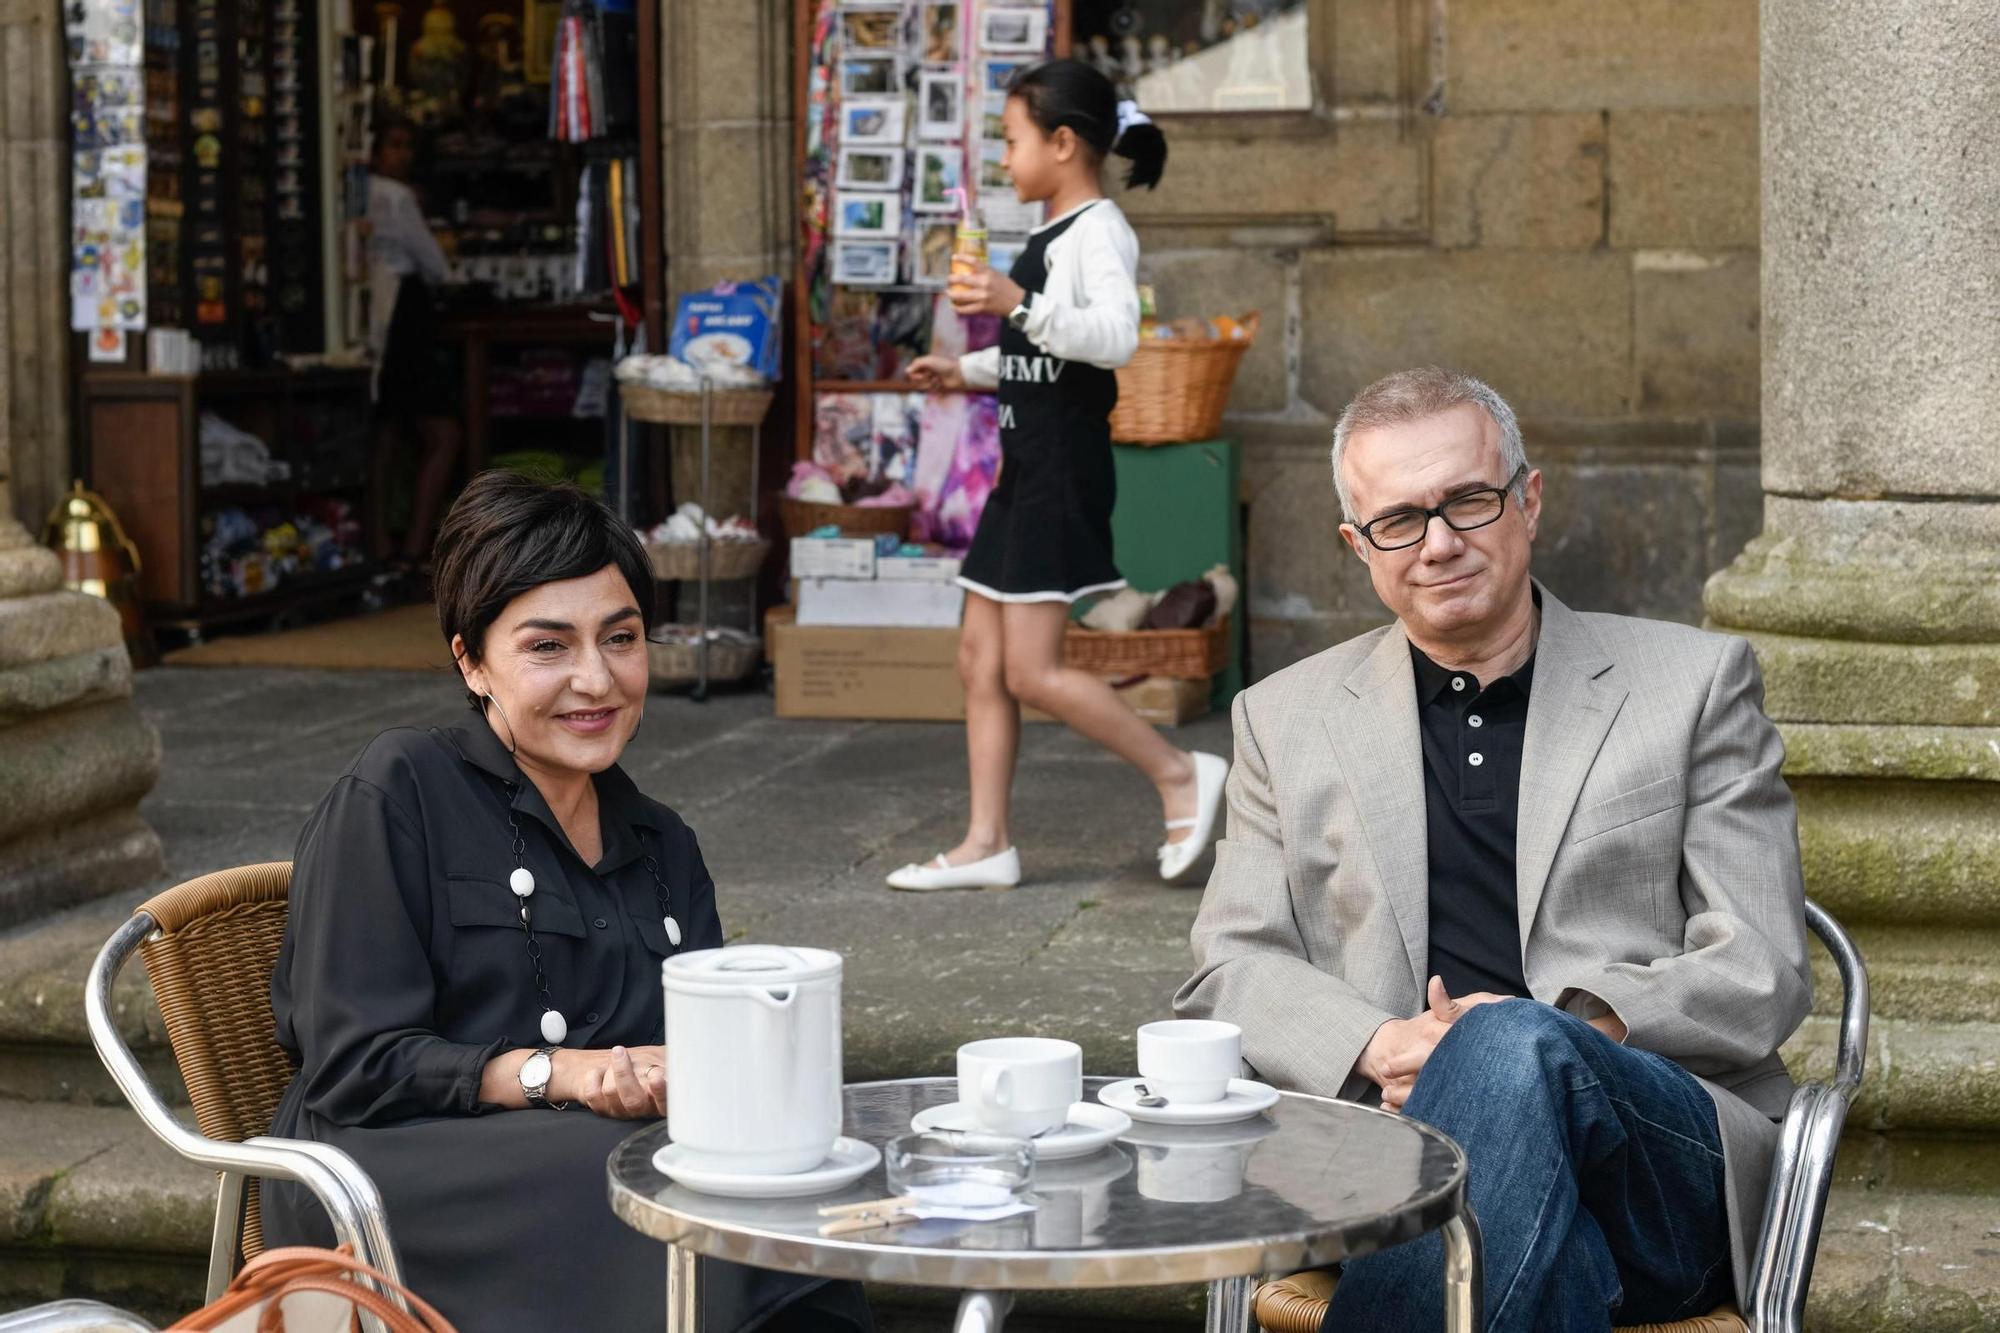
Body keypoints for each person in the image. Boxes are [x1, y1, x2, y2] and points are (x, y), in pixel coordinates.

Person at [1175, 367, 1812, 1331]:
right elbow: (1231, 961)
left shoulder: (1693, 683)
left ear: (1528, 500)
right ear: (1359, 546)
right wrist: (1385, 1045)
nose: (1438, 544)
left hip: (1656, 1158)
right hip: (1386, 1164)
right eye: (1399, 521)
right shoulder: (1285, 717)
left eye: (1468, 501)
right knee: (1539, 1259)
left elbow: (1761, 965)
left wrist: (1562, 1032)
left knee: (1511, 1044)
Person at [262, 471, 871, 1333]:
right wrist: (563, 1073)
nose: (597, 678)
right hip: (389, 1172)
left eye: (620, 638)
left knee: (780, 1180)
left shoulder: (662, 841)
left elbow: (697, 1054)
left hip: (586, 1161)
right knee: (661, 1203)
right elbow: (359, 1063)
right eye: (549, 647)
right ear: (471, 659)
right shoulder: (400, 789)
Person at [893, 58, 1229, 892]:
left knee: (1031, 669)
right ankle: (986, 842)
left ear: (1065, 142)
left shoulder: (1098, 230)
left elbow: (1113, 338)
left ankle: (1181, 774)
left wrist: (1011, 299)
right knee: (979, 657)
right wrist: (965, 372)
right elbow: (1041, 352)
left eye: (1012, 141)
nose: (1005, 160)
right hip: (1024, 470)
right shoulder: (1050, 236)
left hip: (1060, 478)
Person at [366, 116, 465, 580]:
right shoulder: (397, 197)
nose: (402, 155)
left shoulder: (358, 192)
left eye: (408, 145)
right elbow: (435, 264)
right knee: (442, 433)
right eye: (395, 144)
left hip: (370, 314)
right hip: (405, 313)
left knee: (386, 431)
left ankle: (379, 541)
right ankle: (413, 545)